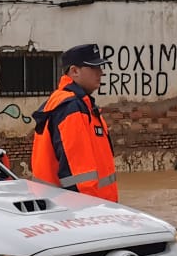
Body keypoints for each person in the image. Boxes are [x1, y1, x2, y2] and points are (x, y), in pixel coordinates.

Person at [28, 43, 118, 201]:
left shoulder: (77, 104)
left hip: (81, 210)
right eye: (94, 68)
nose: (101, 73)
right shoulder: (71, 108)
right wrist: (91, 214)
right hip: (84, 212)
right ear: (75, 71)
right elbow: (78, 176)